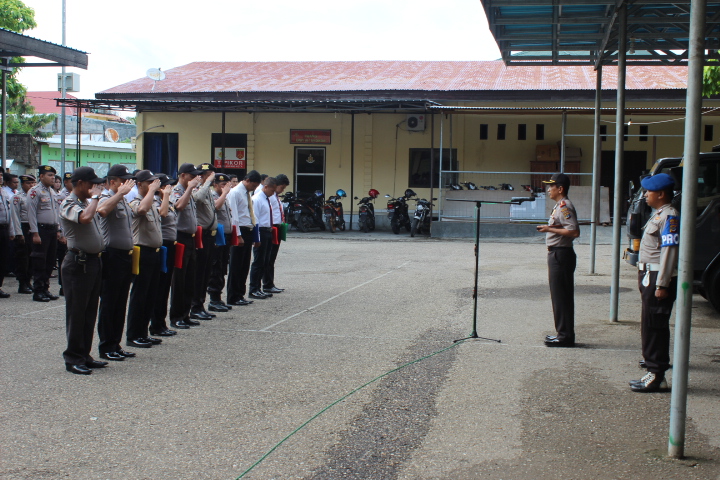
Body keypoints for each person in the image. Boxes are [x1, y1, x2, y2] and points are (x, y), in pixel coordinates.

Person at [629, 173, 679, 393]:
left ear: (661, 194)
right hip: (650, 276)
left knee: (656, 326)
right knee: (650, 325)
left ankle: (657, 375)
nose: (646, 195)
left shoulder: (670, 216)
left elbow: (669, 252)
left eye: (649, 191)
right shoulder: (658, 214)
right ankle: (652, 368)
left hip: (658, 279)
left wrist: (662, 284)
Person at [59, 166, 108, 375]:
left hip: (93, 262)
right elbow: (85, 219)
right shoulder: (69, 203)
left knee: (90, 311)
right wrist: (96, 198)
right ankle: (73, 357)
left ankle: (85, 354)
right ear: (79, 183)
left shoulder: (87, 203)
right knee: (77, 312)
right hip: (78, 263)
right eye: (91, 184)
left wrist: (93, 200)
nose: (94, 187)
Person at [96, 165, 139, 357]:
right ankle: (106, 346)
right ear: (112, 182)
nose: (127, 184)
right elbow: (102, 211)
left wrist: (121, 195)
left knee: (121, 302)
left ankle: (115, 343)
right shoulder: (107, 198)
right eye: (123, 181)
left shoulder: (121, 200)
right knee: (110, 302)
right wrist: (119, 193)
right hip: (111, 256)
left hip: (125, 256)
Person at [536, 173, 579, 347]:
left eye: (551, 186)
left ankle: (565, 336)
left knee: (561, 297)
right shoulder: (558, 206)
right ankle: (563, 333)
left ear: (560, 189)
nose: (548, 190)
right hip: (558, 254)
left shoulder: (564, 206)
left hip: (561, 254)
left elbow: (574, 231)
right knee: (560, 296)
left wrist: (549, 229)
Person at [125, 170, 166, 352]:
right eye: (148, 182)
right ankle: (133, 335)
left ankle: (143, 332)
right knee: (140, 295)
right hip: (141, 252)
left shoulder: (152, 201)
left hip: (154, 252)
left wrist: (162, 195)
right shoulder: (135, 201)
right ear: (139, 184)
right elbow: (141, 209)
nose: (153, 185)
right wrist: (152, 192)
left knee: (150, 295)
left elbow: (163, 213)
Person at [169, 163, 203, 328]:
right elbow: (179, 206)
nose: (194, 179)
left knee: (190, 279)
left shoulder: (191, 192)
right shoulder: (177, 191)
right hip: (180, 237)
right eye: (191, 176)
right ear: (183, 175)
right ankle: (176, 316)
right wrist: (189, 189)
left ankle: (185, 313)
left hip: (191, 238)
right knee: (180, 280)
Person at [226, 170, 261, 306]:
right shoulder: (235, 193)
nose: (254, 189)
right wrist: (238, 235)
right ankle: (233, 296)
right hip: (240, 231)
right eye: (253, 185)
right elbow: (234, 216)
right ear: (248, 180)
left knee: (244, 265)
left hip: (248, 230)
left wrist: (255, 235)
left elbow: (250, 214)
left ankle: (240, 293)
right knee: (236, 265)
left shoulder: (247, 193)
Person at [27, 165, 62, 302]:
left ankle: (45, 289)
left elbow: (56, 213)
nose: (52, 178)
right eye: (49, 175)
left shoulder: (52, 192)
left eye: (53, 175)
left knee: (50, 261)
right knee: (40, 261)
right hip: (41, 230)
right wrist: (35, 233)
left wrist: (58, 229)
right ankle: (38, 291)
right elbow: (31, 214)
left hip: (52, 230)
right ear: (41, 176)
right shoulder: (35, 192)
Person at [149, 174, 178, 336]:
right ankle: (156, 324)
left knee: (165, 286)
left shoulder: (166, 199)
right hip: (162, 246)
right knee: (159, 287)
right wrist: (166, 196)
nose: (170, 188)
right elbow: (163, 214)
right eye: (167, 186)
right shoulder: (155, 201)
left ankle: (161, 322)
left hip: (170, 245)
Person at [190, 163, 219, 319]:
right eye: (208, 174)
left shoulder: (208, 190)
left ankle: (201, 304)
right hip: (202, 234)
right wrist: (207, 182)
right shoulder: (197, 188)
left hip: (210, 235)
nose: (211, 178)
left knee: (207, 271)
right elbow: (197, 198)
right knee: (199, 272)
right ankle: (195, 306)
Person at [207, 173, 233, 312]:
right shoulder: (213, 196)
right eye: (222, 185)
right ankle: (213, 299)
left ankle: (218, 297)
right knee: (215, 267)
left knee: (222, 267)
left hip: (226, 236)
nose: (225, 187)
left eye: (226, 185)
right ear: (215, 185)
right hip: (217, 236)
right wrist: (224, 194)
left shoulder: (225, 197)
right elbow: (215, 207)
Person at [249, 176, 278, 299]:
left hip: (267, 231)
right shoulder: (257, 199)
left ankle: (259, 287)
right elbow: (255, 219)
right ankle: (253, 288)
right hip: (260, 230)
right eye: (272, 190)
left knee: (265, 261)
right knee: (258, 262)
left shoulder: (267, 199)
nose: (273, 193)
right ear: (266, 187)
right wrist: (257, 238)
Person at [263, 173, 289, 294]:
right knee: (268, 257)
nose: (282, 190)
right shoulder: (269, 195)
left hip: (278, 227)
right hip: (272, 227)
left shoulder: (276, 196)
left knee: (272, 258)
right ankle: (267, 284)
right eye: (282, 187)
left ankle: (270, 282)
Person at [13, 175, 36, 294]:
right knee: (23, 258)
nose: (31, 186)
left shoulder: (34, 196)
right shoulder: (17, 197)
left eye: (33, 183)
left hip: (33, 228)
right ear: (22, 184)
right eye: (28, 183)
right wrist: (18, 233)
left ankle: (28, 281)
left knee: (32, 256)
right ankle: (22, 283)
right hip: (23, 227)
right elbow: (15, 216)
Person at [0, 172, 21, 298]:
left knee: (3, 259)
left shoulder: (3, 192)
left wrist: (11, 231)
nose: (1, 178)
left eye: (1, 175)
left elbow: (9, 214)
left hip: (4, 229)